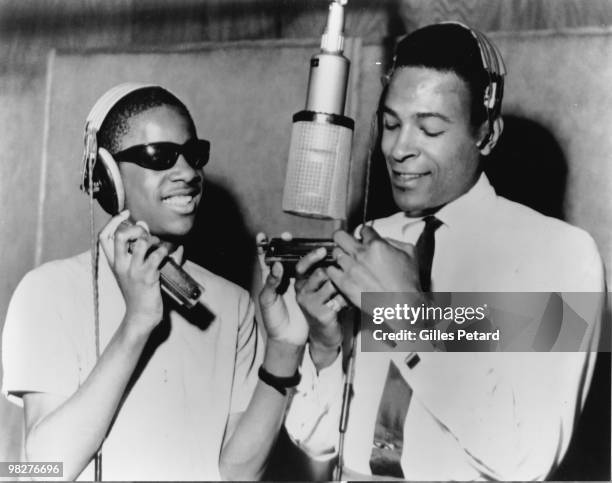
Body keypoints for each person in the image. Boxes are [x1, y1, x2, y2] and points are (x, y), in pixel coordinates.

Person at [284, 23, 605, 480]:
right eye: (391, 125)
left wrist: (407, 314)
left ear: (487, 135)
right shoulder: (369, 240)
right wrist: (323, 342)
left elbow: (525, 458)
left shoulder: (560, 255)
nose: (397, 149)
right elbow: (316, 441)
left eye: (430, 129)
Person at [1, 84, 307, 481]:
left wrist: (283, 349)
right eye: (160, 157)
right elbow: (41, 471)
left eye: (194, 156)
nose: (187, 173)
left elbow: (236, 474)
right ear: (107, 176)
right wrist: (137, 324)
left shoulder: (232, 304)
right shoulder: (47, 290)